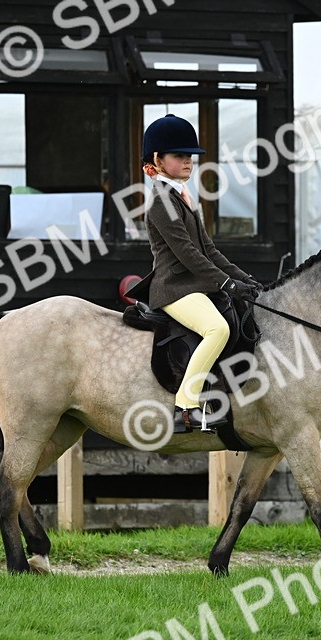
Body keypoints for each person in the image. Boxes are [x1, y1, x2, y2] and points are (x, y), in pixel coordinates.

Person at [125, 114, 262, 433]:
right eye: (178, 155)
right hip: (174, 288)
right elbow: (186, 254)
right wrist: (225, 283)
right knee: (218, 329)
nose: (187, 161)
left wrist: (244, 280)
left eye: (190, 156)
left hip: (194, 285)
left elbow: (209, 251)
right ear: (157, 160)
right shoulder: (161, 201)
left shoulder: (183, 198)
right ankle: (185, 406)